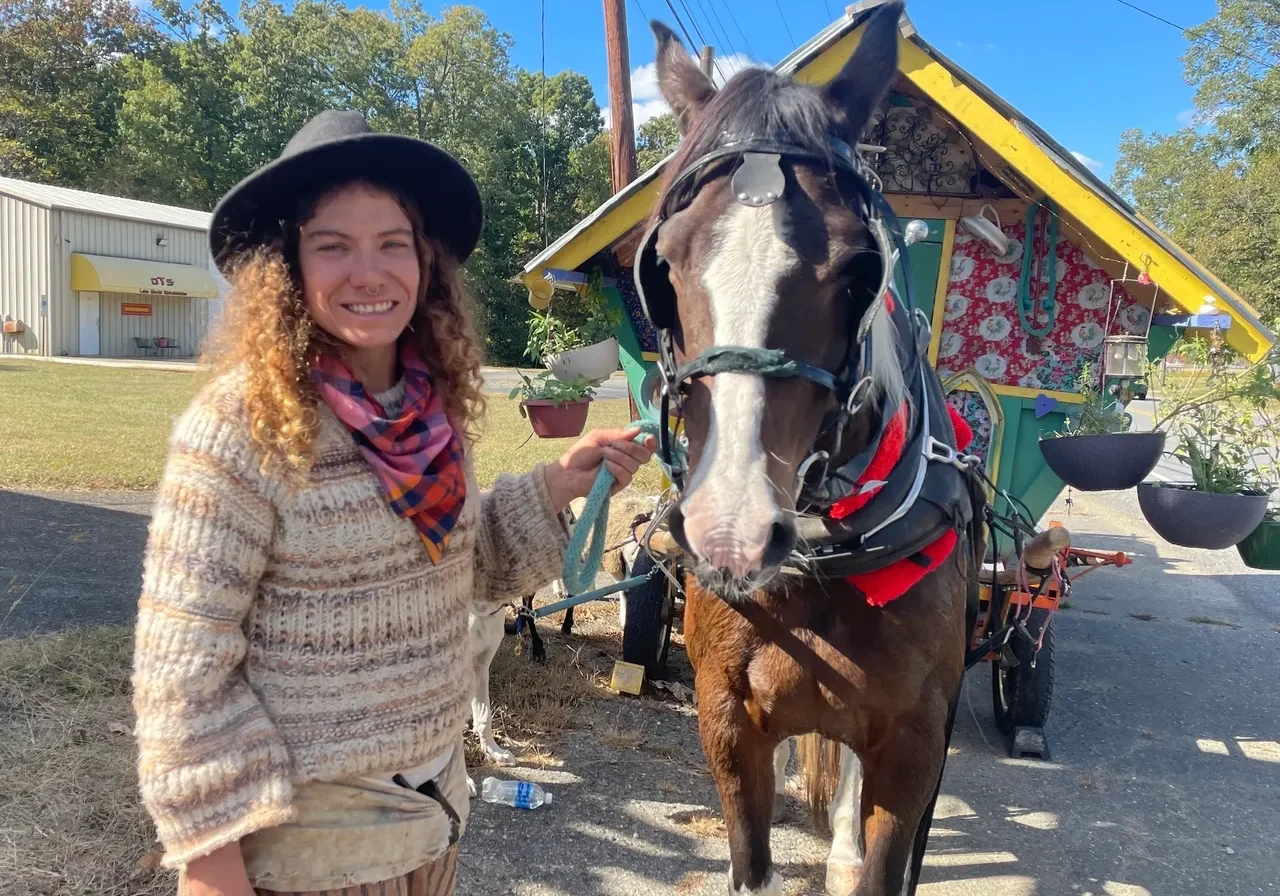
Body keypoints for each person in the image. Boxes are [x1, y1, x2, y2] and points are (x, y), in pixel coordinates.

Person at [131, 110, 656, 896]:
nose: (367, 272)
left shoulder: (429, 411)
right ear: (289, 264)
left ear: (426, 262)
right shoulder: (237, 430)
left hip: (430, 821)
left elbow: (462, 566)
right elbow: (183, 674)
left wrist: (558, 484)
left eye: (391, 243)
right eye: (332, 245)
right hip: (313, 852)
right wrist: (211, 868)